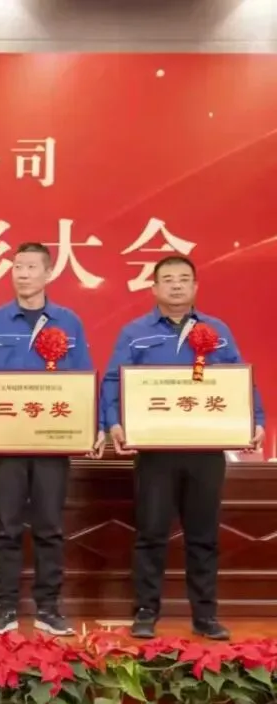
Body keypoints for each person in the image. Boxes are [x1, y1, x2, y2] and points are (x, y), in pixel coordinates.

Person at [102, 254, 265, 641]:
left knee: (204, 535)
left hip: (205, 450)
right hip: (155, 451)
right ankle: (145, 612)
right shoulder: (134, 332)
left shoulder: (217, 331)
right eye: (168, 279)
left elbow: (239, 379)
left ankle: (205, 615)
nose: (176, 285)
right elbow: (112, 382)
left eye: (184, 279)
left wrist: (255, 419)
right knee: (151, 533)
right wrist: (113, 422)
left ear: (195, 287)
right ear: (154, 288)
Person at [0, 242, 104, 636]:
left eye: (30, 267)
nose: (22, 274)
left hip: (52, 443)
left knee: (49, 527)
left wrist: (93, 424)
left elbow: (83, 379)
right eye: (17, 267)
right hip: (5, 443)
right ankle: (4, 608)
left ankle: (49, 609)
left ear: (48, 273)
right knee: (5, 527)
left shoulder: (69, 323)